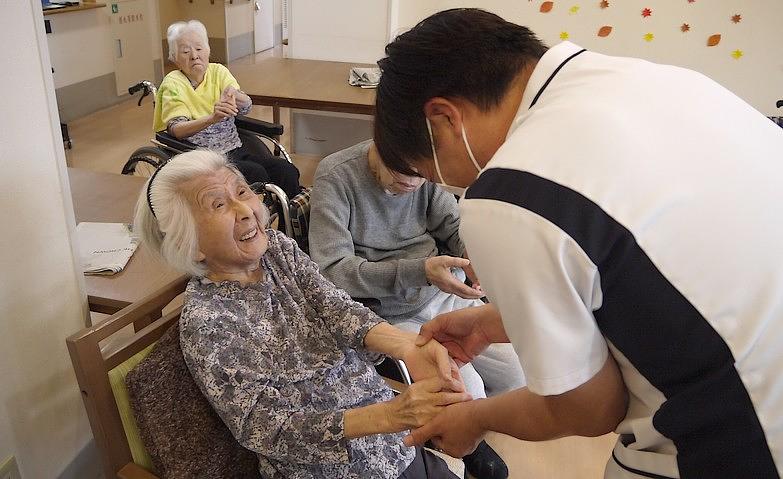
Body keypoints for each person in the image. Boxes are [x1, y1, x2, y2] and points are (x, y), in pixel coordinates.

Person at [373, 8, 783, 479]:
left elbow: (590, 408)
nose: (445, 184)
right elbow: (656, 268)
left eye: (432, 172)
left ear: (444, 118)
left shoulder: (508, 196)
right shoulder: (660, 80)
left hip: (742, 436)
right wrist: (498, 321)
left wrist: (473, 420)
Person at [133, 149, 472, 478]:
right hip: (331, 467)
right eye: (219, 205)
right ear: (187, 245)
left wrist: (408, 346)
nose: (246, 210)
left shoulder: (278, 250)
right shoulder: (208, 321)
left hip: (392, 443)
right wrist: (392, 415)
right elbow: (264, 427)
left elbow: (337, 308)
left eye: (242, 191)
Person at [309, 139, 526, 479]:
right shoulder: (336, 177)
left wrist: (472, 256)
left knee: (515, 375)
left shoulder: (425, 166)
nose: (412, 183)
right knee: (466, 393)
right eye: (401, 173)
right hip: (390, 311)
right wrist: (419, 271)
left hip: (444, 291)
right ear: (379, 142)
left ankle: (461, 427)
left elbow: (453, 225)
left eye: (421, 174)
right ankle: (457, 442)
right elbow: (332, 270)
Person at [153, 20, 300, 198]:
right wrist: (211, 118)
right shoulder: (173, 83)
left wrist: (238, 98)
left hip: (235, 150)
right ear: (174, 58)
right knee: (256, 174)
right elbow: (176, 129)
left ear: (208, 51)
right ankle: (254, 220)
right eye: (185, 51)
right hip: (203, 159)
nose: (194, 56)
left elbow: (244, 106)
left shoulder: (218, 72)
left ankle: (290, 223)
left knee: (287, 170)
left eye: (199, 49)